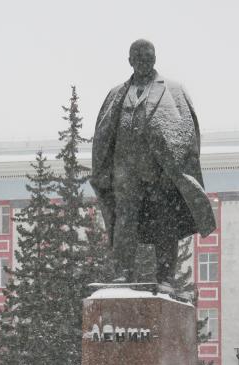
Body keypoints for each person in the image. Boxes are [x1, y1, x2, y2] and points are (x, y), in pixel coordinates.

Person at [91, 39, 216, 284]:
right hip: (125, 174)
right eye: (138, 58)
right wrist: (105, 171)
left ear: (155, 58)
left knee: (164, 221)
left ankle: (166, 276)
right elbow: (104, 134)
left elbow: (187, 132)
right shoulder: (117, 94)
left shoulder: (172, 90)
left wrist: (176, 166)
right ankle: (122, 273)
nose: (143, 62)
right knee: (125, 223)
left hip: (160, 172)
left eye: (148, 57)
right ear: (130, 61)